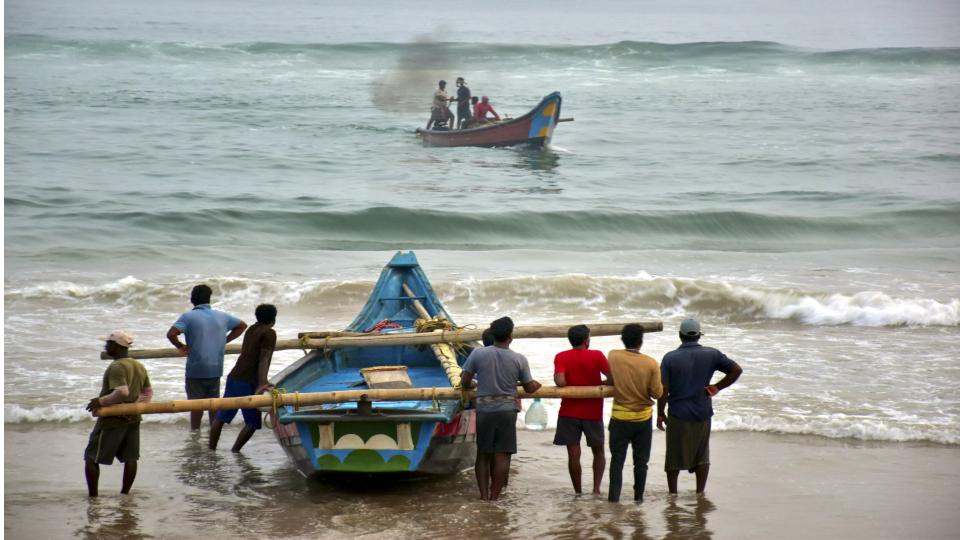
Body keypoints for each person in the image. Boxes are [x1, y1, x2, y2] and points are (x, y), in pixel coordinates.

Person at [657, 319, 742, 494]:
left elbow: (664, 389)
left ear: (680, 336)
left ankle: (673, 493)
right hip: (702, 411)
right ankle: (699, 492)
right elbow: (736, 370)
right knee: (702, 454)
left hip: (678, 413)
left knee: (674, 455)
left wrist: (660, 413)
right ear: (698, 335)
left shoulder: (670, 358)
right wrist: (717, 387)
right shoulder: (712, 354)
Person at [460, 316, 542, 501]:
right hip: (507, 411)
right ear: (510, 336)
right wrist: (537, 385)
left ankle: (483, 495)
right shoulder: (519, 359)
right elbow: (529, 387)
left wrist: (474, 384)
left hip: (484, 409)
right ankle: (494, 498)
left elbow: (465, 381)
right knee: (502, 455)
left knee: (483, 454)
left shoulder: (478, 354)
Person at [167, 284, 247, 430]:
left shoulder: (188, 316)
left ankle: (195, 435)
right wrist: (225, 340)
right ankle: (213, 435)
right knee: (213, 404)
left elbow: (171, 334)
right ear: (209, 299)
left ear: (192, 299)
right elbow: (242, 325)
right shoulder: (222, 316)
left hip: (196, 368)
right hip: (215, 368)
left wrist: (180, 346)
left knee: (195, 406)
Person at [84, 330, 153, 497]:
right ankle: (125, 495)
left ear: (116, 346)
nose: (105, 346)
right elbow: (147, 393)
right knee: (130, 457)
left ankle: (93, 497)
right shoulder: (138, 365)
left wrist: (99, 402)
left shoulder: (116, 366)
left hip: (112, 419)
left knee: (91, 457)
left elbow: (122, 392)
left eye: (108, 343)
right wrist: (132, 408)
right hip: (133, 418)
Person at [209, 304, 277, 452]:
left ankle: (211, 450)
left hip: (234, 377)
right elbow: (264, 358)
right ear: (273, 319)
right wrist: (262, 383)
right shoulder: (269, 333)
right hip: (248, 381)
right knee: (252, 423)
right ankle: (235, 451)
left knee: (221, 417)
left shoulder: (251, 330)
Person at [606, 323, 663, 503]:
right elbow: (657, 393)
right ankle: (638, 498)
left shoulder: (613, 356)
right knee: (641, 462)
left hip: (620, 417)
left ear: (623, 339)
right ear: (641, 341)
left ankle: (614, 499)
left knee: (617, 461)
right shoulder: (651, 363)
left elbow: (611, 378)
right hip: (642, 418)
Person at [553, 324, 611, 495]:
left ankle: (578, 492)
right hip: (593, 411)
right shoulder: (597, 355)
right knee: (598, 450)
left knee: (573, 453)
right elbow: (612, 378)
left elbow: (561, 382)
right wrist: (600, 384)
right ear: (587, 340)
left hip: (569, 411)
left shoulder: (561, 356)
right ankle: (596, 489)